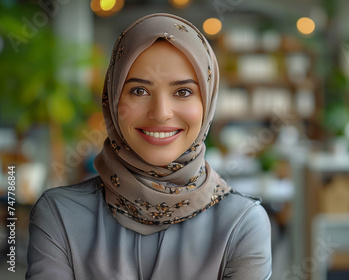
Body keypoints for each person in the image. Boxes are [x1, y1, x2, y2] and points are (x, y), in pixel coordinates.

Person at [26, 13, 272, 280]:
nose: (161, 113)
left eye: (183, 92)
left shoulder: (241, 223)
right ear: (113, 98)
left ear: (208, 102)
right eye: (139, 91)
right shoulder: (60, 215)